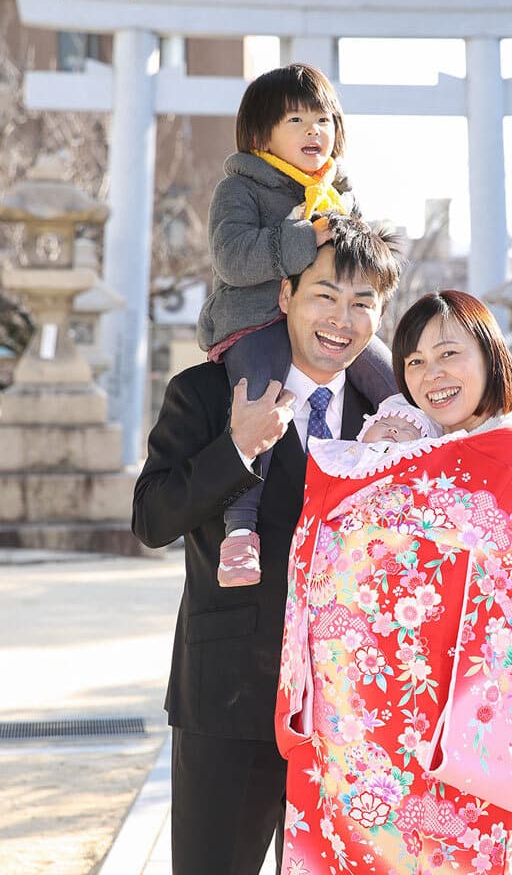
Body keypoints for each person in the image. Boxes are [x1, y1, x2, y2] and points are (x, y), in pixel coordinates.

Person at [275, 290, 512, 875]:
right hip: (368, 713)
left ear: (490, 356)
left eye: (449, 354)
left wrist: (382, 476)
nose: (432, 375)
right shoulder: (404, 441)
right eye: (415, 361)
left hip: (465, 713)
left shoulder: (510, 451)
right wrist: (380, 458)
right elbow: (330, 530)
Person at [131, 216, 404, 875]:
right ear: (285, 295)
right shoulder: (205, 392)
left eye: (362, 303)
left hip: (351, 712)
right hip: (228, 698)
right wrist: (236, 448)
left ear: (380, 316)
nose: (341, 319)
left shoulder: (395, 417)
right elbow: (151, 519)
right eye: (324, 295)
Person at [197, 63, 394, 588]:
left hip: (324, 320)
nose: (314, 131)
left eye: (323, 119)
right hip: (254, 324)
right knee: (258, 411)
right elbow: (233, 259)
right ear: (261, 135)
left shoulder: (339, 190)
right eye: (296, 120)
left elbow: (361, 261)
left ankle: (434, 478)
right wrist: (310, 236)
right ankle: (240, 531)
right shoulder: (240, 188)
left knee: (395, 382)